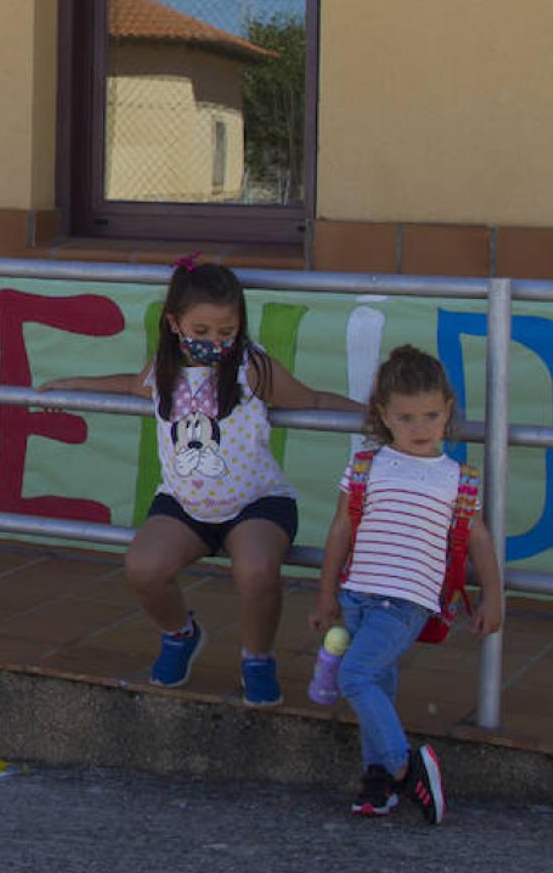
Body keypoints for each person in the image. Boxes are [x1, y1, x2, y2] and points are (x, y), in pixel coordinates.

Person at [42, 256, 356, 705]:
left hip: (257, 502)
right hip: (185, 504)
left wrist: (371, 418)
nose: (215, 342)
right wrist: (74, 384)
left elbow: (313, 399)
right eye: (202, 331)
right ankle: (179, 635)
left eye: (226, 332)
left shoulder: (252, 368)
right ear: (174, 323)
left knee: (257, 571)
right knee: (143, 567)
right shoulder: (163, 371)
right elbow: (132, 385)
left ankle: (257, 658)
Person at [310, 346, 502, 823]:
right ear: (383, 415)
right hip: (357, 596)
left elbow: (478, 538)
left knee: (354, 676)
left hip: (406, 603)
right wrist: (326, 591)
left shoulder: (457, 479)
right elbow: (340, 530)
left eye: (432, 415)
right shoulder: (365, 467)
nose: (421, 427)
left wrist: (493, 596)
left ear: (448, 411)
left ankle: (404, 765)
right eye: (407, 416)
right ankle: (378, 780)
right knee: (377, 684)